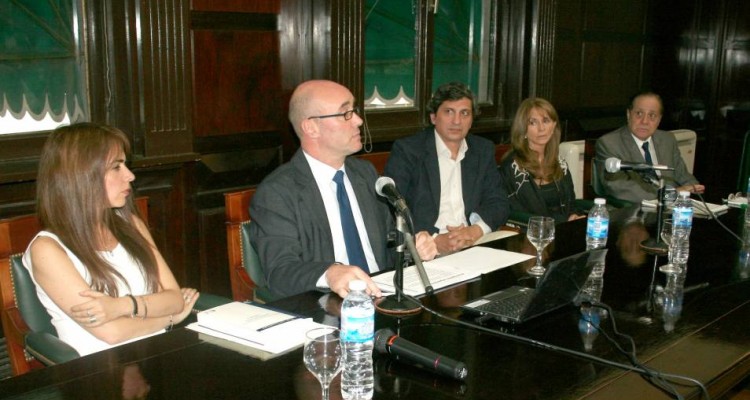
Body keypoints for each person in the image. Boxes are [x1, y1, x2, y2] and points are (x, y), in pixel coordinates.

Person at [249, 80, 437, 299]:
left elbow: (388, 243)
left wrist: (411, 249)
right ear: (311, 127)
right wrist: (329, 273)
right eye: (345, 113)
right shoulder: (277, 193)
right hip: (326, 305)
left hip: (383, 295)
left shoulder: (365, 174)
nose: (358, 120)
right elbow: (280, 272)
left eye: (354, 110)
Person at [22, 123, 199, 356]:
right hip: (98, 375)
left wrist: (120, 306)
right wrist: (169, 318)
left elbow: (174, 298)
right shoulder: (47, 249)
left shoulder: (131, 224)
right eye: (117, 167)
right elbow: (112, 333)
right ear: (81, 176)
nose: (130, 176)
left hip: (156, 355)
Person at [384, 82, 509, 255]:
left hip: (474, 241)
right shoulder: (408, 151)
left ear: (472, 119)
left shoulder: (482, 150)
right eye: (449, 112)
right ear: (433, 117)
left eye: (464, 113)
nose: (457, 121)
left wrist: (475, 230)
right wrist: (433, 240)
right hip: (428, 247)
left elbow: (499, 201)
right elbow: (393, 209)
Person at [595, 91, 705, 203]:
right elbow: (621, 189)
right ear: (628, 115)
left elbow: (682, 175)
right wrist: (671, 194)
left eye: (652, 115)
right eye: (639, 113)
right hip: (634, 211)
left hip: (672, 207)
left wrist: (694, 188)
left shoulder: (667, 139)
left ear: (659, 120)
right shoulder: (609, 143)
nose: (645, 121)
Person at [499, 97, 586, 223]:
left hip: (562, 230)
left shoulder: (560, 163)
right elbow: (526, 214)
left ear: (554, 125)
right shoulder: (513, 166)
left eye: (546, 121)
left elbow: (571, 204)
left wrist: (574, 215)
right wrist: (565, 220)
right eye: (533, 123)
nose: (541, 128)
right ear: (523, 129)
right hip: (528, 234)